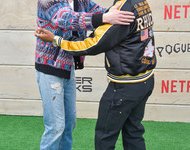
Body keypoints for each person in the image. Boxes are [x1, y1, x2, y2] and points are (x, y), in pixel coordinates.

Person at [36, 0, 156, 149]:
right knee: (56, 127)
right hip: (51, 67)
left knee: (72, 126)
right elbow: (65, 18)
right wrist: (106, 17)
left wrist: (110, 15)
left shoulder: (123, 6)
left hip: (122, 83)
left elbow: (98, 22)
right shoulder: (138, 3)